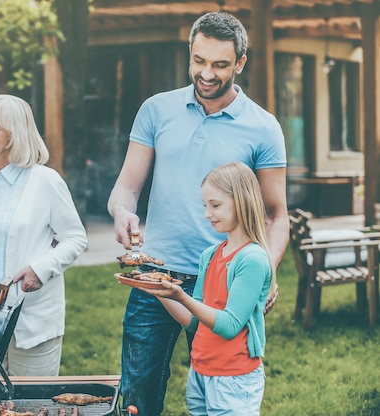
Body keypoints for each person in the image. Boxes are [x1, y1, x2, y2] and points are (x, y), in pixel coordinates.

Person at [106, 11, 289, 415]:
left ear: (240, 63)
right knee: (136, 397)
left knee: (218, 395)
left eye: (220, 65)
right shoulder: (156, 110)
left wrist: (266, 271)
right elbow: (127, 188)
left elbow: (277, 214)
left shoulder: (263, 127)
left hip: (221, 286)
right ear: (189, 52)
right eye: (199, 61)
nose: (206, 73)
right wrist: (122, 211)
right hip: (155, 277)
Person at [0, 94, 87, 376]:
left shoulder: (44, 181)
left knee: (29, 402)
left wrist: (40, 269)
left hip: (29, 320)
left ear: (15, 134)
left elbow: (75, 237)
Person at [140, 162, 275, 415]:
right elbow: (193, 322)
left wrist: (180, 295)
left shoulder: (252, 259)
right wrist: (159, 291)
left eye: (215, 205)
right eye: (205, 206)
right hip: (200, 372)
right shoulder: (210, 255)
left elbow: (229, 325)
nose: (207, 214)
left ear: (242, 201)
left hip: (233, 378)